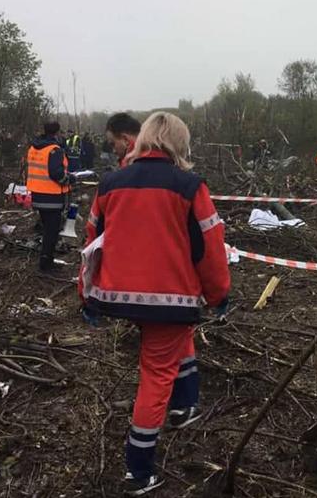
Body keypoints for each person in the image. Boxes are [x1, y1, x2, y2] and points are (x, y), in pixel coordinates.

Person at [79, 111, 230, 496]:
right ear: (180, 143)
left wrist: (88, 296)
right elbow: (210, 249)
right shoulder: (189, 186)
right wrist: (219, 295)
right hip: (170, 299)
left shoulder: (110, 183)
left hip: (119, 295)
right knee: (156, 374)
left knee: (179, 338)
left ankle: (186, 404)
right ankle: (138, 470)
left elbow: (92, 241)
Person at [26, 121, 75, 272]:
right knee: (52, 231)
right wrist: (70, 179)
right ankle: (46, 263)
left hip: (37, 195)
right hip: (52, 197)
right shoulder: (54, 150)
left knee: (47, 229)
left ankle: (46, 259)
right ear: (57, 133)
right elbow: (56, 173)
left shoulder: (34, 148)